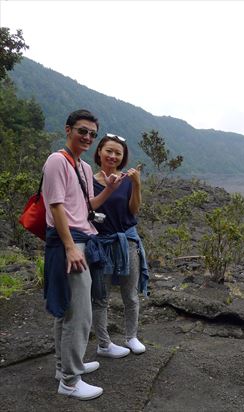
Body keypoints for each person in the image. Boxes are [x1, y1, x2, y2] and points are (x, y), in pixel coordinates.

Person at [42, 109, 125, 400]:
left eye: (92, 133)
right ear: (68, 130)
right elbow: (56, 207)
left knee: (67, 309)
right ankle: (70, 381)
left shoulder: (83, 168)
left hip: (84, 240)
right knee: (79, 314)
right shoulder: (57, 161)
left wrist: (110, 189)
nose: (87, 137)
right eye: (82, 131)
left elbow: (87, 205)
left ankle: (64, 367)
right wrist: (68, 247)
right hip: (70, 243)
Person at [91, 133, 149, 359]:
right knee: (101, 296)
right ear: (99, 152)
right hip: (102, 244)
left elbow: (134, 210)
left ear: (123, 158)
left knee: (130, 294)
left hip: (127, 242)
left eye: (118, 153)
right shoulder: (90, 181)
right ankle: (104, 344)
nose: (113, 156)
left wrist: (137, 184)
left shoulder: (126, 180)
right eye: (109, 151)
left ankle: (131, 336)